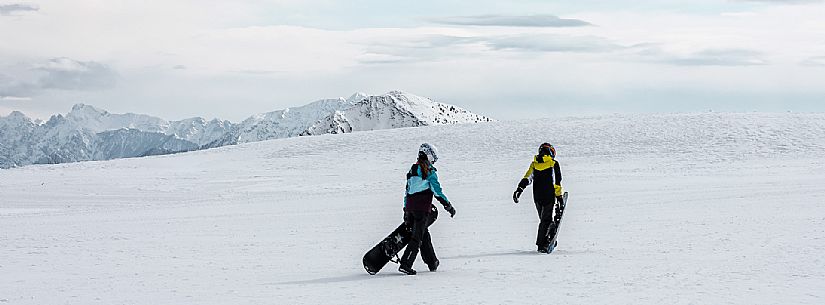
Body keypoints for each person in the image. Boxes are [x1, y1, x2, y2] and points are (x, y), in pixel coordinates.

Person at [398, 143, 456, 275]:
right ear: (429, 156)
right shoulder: (429, 171)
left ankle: (432, 262)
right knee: (417, 237)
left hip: (411, 208)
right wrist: (448, 206)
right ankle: (405, 264)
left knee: (423, 233)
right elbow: (437, 192)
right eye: (433, 158)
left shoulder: (412, 170)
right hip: (422, 209)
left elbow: (407, 191)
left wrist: (406, 210)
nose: (434, 161)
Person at [512, 143, 564, 253]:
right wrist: (559, 197)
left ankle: (546, 238)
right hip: (549, 195)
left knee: (543, 220)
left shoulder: (534, 165)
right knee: (546, 219)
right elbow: (557, 182)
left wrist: (519, 190)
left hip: (537, 197)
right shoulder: (553, 164)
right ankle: (542, 244)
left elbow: (527, 178)